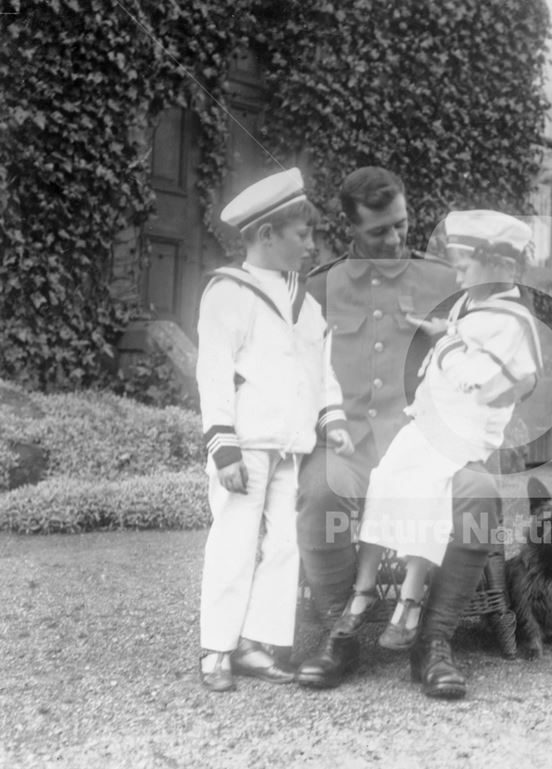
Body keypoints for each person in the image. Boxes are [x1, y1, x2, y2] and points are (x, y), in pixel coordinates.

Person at [295, 167, 507, 699]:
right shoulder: (319, 287)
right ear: (349, 227)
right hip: (350, 444)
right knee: (320, 493)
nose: (394, 239)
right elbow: (299, 374)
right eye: (378, 231)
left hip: (427, 445)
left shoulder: (443, 281)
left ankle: (432, 642)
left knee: (479, 496)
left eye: (401, 224)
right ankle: (338, 635)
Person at [340, 210, 542, 652]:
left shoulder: (513, 321)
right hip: (432, 419)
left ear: (498, 265)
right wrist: (443, 333)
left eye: (466, 266)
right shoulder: (473, 301)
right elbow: (458, 342)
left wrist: (445, 344)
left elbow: (482, 381)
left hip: (465, 429)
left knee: (430, 489)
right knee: (387, 475)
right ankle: (364, 585)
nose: (458, 274)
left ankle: (410, 601)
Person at [196, 167, 354, 693]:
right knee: (234, 540)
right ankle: (217, 646)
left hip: (291, 447)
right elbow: (214, 373)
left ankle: (256, 643)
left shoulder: (305, 304)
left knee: (288, 543)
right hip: (246, 445)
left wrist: (331, 420)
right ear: (267, 235)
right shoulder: (228, 293)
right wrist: (223, 446)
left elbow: (321, 369)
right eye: (302, 235)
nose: (312, 245)